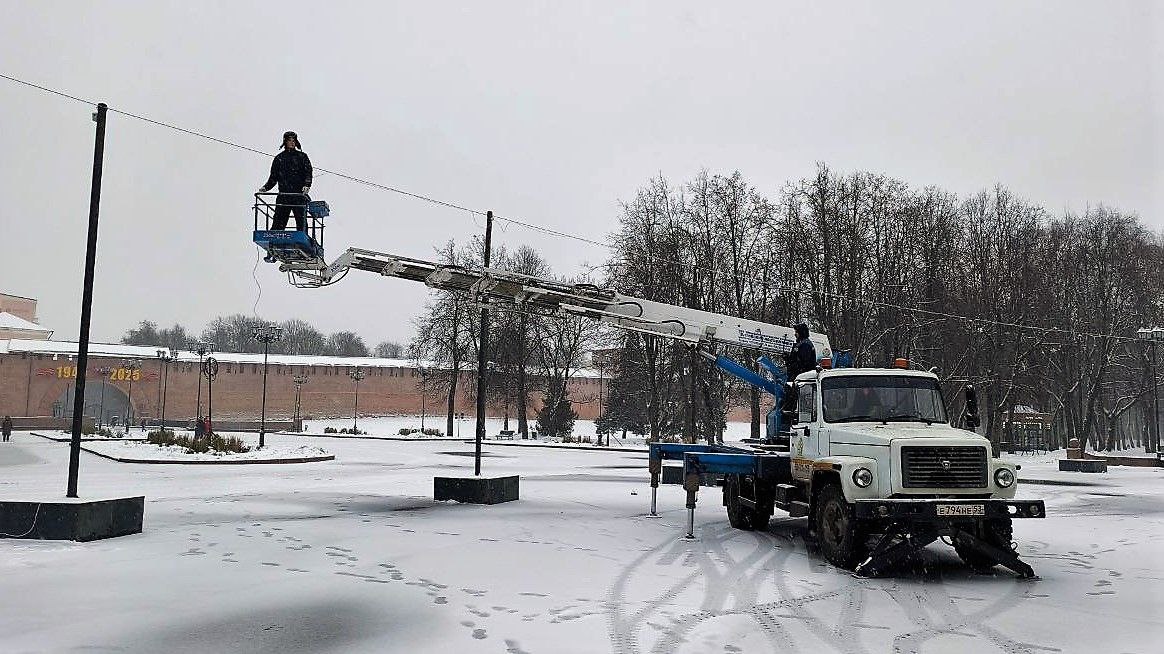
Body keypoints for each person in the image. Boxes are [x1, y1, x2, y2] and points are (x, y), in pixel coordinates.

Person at [258, 130, 313, 236]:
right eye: (289, 140)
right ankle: (274, 239)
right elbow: (273, 177)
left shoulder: (302, 157)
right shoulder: (279, 158)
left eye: (294, 140)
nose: (292, 143)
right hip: (284, 195)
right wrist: (266, 187)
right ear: (285, 142)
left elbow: (308, 172)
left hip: (298, 195)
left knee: (301, 221)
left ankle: (303, 239)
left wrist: (307, 185)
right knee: (279, 220)